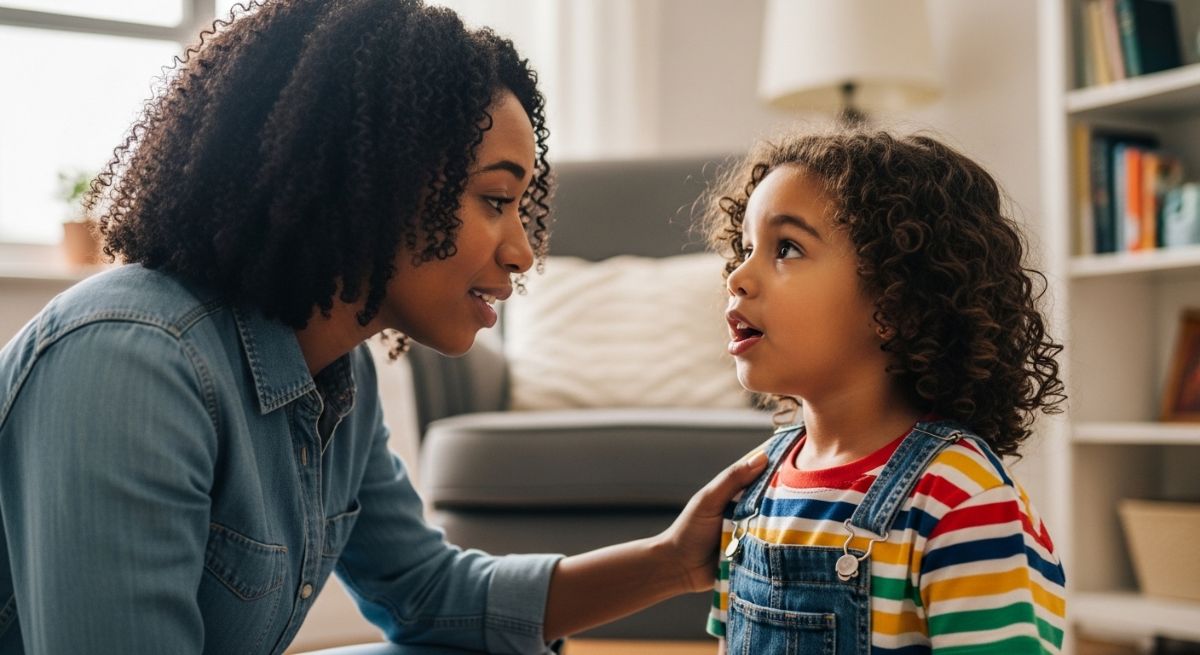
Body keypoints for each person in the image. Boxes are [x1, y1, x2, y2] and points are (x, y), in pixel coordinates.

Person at [0, 1, 769, 653]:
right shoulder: (131, 363)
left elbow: (427, 593)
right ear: (374, 183)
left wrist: (673, 562)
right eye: (496, 199)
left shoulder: (339, 372)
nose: (523, 249)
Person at [700, 129, 1068, 654]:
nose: (738, 276)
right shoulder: (754, 488)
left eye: (786, 248)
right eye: (744, 249)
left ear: (896, 305)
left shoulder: (959, 497)